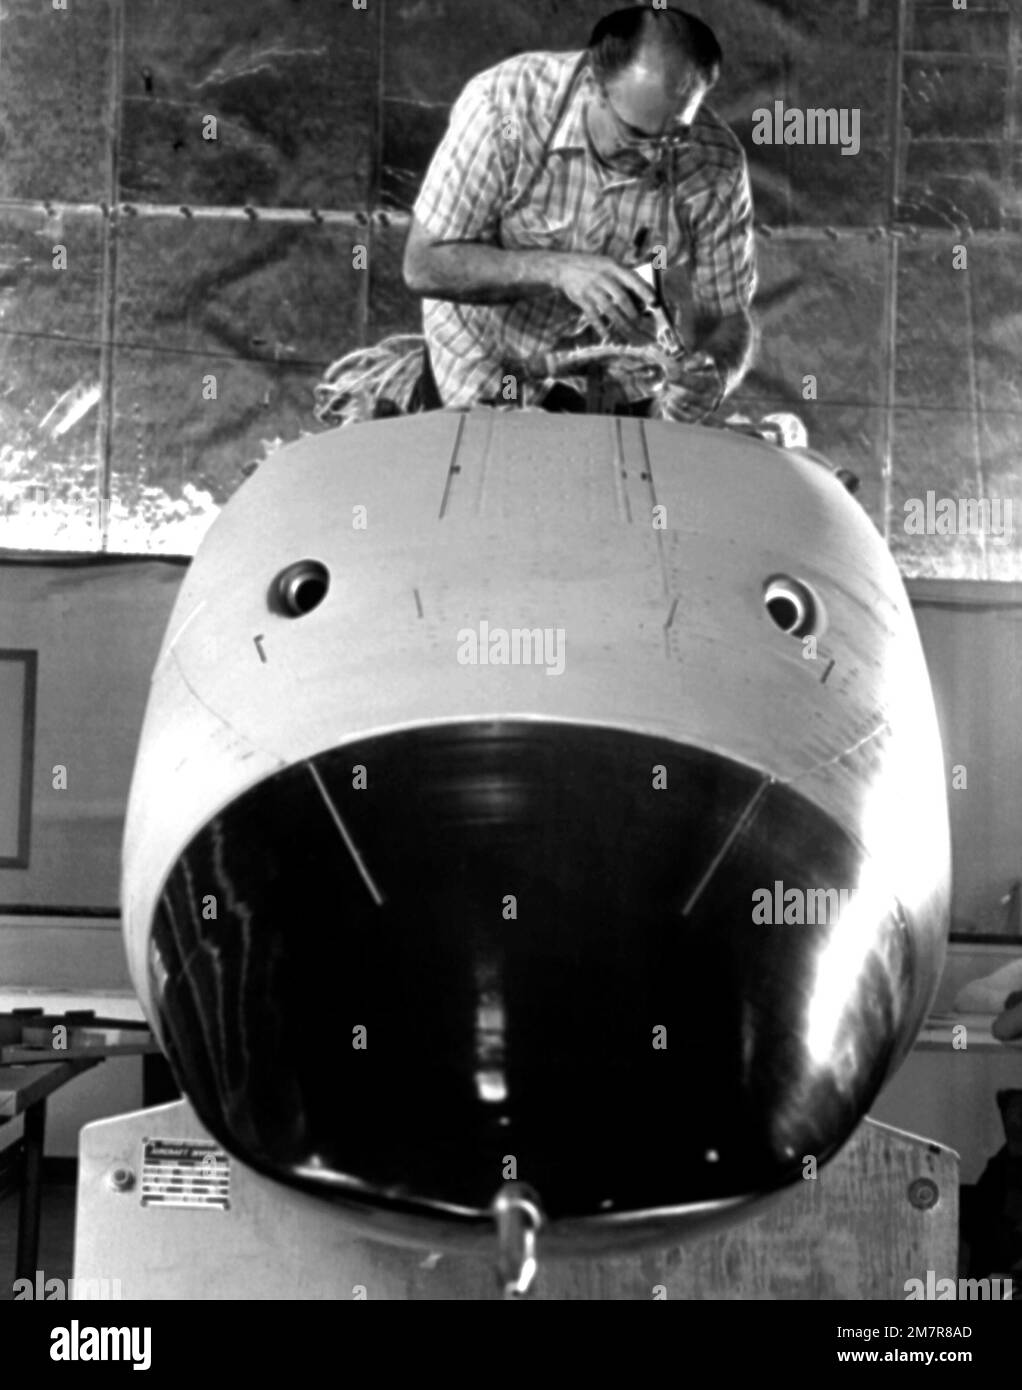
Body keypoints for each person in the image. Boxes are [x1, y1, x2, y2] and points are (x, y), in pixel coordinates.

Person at [402, 4, 757, 417]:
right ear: (593, 85)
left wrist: (714, 372)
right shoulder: (504, 108)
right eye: (635, 134)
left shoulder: (715, 165)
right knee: (496, 471)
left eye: (674, 137)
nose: (653, 157)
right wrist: (557, 270)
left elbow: (728, 316)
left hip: (613, 374)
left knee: (614, 476)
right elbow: (423, 264)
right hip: (486, 361)